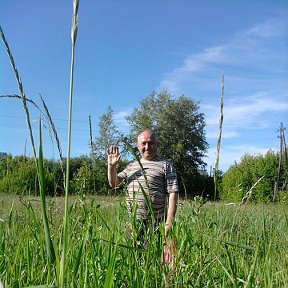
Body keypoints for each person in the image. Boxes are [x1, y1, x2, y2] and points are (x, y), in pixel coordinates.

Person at [107, 130, 179, 238]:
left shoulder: (166, 165)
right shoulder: (132, 166)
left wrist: (169, 223)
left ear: (157, 144)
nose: (147, 146)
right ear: (138, 146)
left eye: (151, 143)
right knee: (134, 255)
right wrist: (111, 167)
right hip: (133, 224)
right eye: (143, 143)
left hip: (156, 224)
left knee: (154, 255)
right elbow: (114, 183)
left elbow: (173, 194)